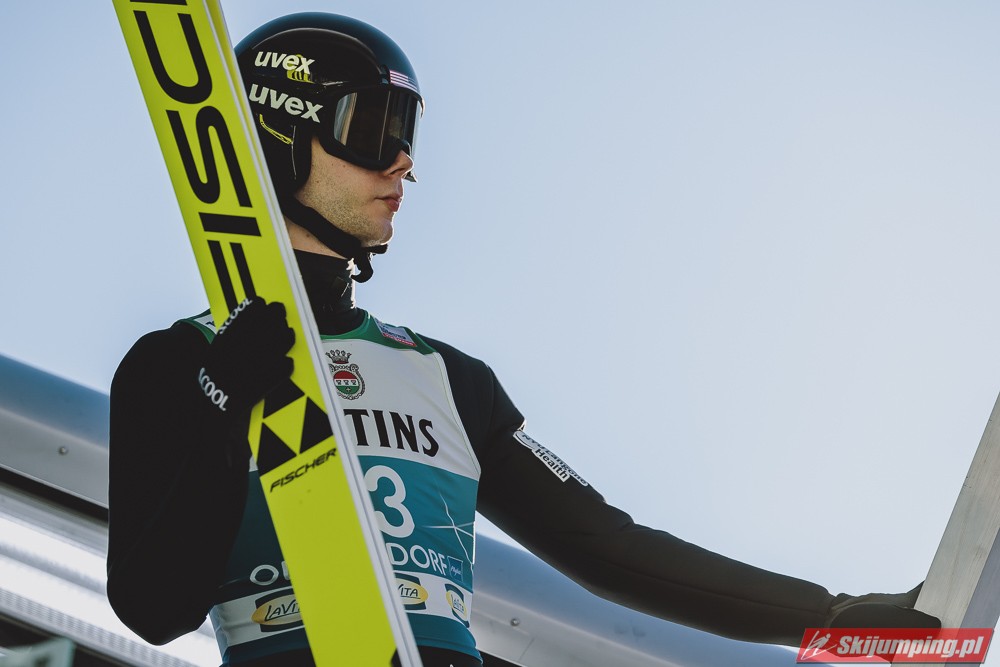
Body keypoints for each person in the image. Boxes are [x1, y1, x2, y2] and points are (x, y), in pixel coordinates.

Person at [106, 12, 939, 667]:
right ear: (279, 134)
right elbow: (154, 607)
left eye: (409, 134)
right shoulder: (175, 363)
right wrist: (219, 408)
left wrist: (827, 618)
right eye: (373, 128)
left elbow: (611, 549)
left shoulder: (445, 377)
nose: (403, 163)